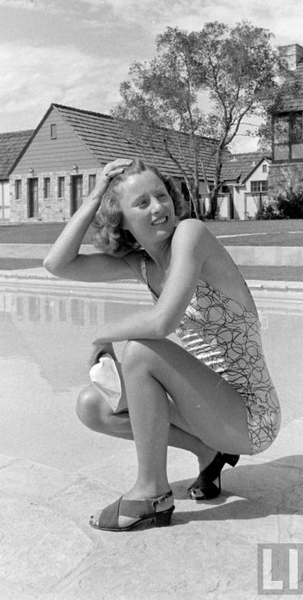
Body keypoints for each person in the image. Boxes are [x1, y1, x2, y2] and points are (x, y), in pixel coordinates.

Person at [43, 158, 281, 532]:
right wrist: (94, 197)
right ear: (120, 220)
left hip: (250, 418)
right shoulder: (140, 264)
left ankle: (151, 493)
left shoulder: (191, 234)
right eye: (141, 203)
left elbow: (161, 322)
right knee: (93, 407)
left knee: (140, 350)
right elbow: (57, 263)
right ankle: (208, 452)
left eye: (161, 195)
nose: (158, 207)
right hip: (207, 410)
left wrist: (103, 333)